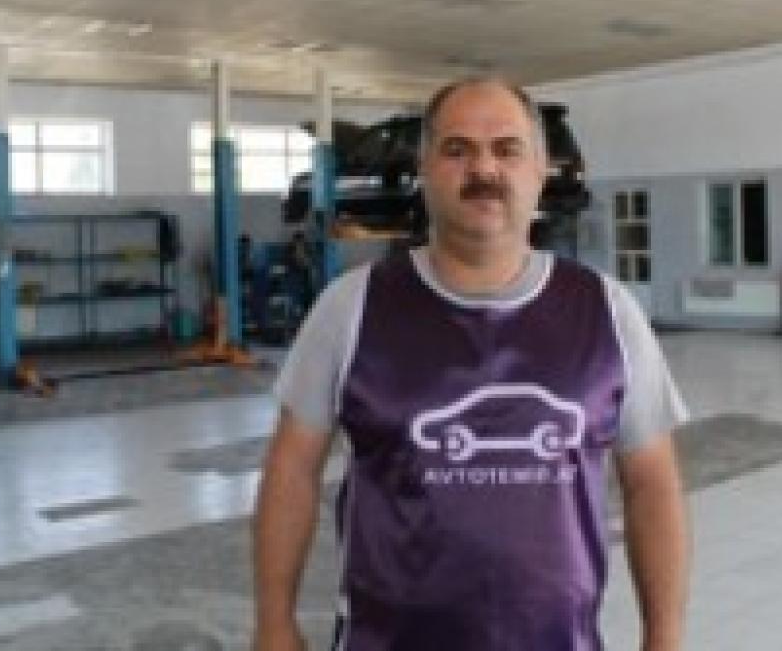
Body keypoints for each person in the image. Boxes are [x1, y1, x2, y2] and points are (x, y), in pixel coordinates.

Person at [253, 78, 690, 651]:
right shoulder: (351, 308)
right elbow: (292, 469)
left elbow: (653, 484)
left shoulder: (607, 311)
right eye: (457, 149)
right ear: (425, 169)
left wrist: (665, 637)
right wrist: (274, 624)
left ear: (540, 170)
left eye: (507, 149)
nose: (484, 169)